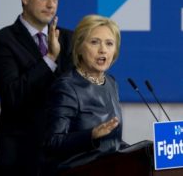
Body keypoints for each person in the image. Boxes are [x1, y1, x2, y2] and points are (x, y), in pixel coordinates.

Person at [0, 0, 73, 176]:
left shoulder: (69, 38)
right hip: (21, 158)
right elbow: (13, 96)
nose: (51, 4)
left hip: (62, 157)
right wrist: (50, 58)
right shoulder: (0, 41)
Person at [43, 15, 129, 174]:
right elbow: (52, 142)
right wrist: (91, 135)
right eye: (94, 42)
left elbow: (112, 143)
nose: (103, 49)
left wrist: (142, 151)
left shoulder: (110, 83)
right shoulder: (67, 86)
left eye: (109, 43)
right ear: (79, 47)